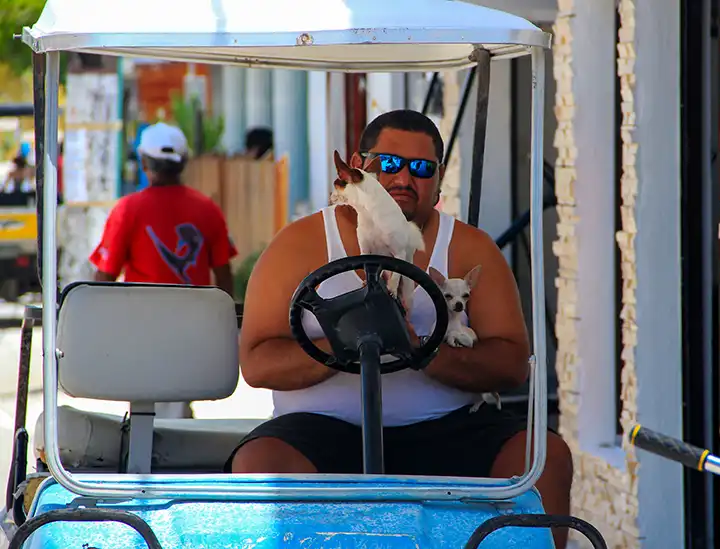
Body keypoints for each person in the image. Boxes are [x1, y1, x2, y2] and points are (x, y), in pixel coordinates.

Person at [227, 110, 572, 548]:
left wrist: (423, 350)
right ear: (359, 166)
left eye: (422, 169)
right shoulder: (298, 245)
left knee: (545, 455)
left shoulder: (468, 248)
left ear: (439, 179)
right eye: (389, 164)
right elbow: (257, 363)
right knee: (261, 461)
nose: (404, 178)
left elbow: (510, 363)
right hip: (320, 431)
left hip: (448, 429)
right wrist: (343, 342)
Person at [89, 122, 238, 417]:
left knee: (146, 408)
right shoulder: (208, 209)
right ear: (183, 162)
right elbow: (223, 277)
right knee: (178, 406)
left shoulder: (127, 209)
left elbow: (104, 277)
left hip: (143, 329)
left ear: (143, 162)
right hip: (194, 329)